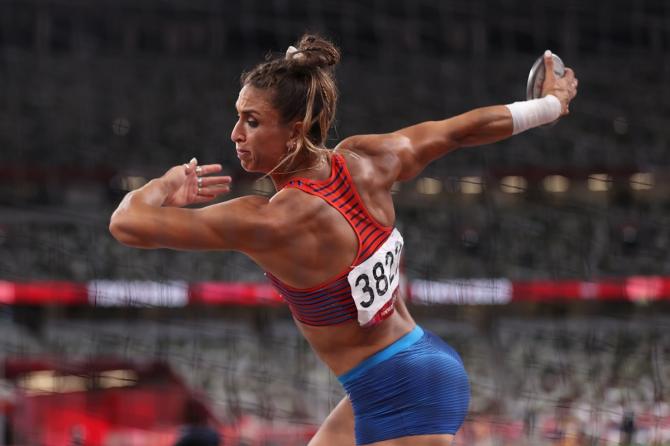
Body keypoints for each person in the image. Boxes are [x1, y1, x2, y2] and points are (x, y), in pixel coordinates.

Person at [110, 34, 578, 446]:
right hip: (411, 369)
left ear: (294, 132)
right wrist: (549, 106)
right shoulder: (366, 159)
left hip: (399, 385)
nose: (235, 134)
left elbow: (126, 223)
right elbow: (458, 130)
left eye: (251, 122)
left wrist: (165, 186)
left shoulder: (272, 221)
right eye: (237, 118)